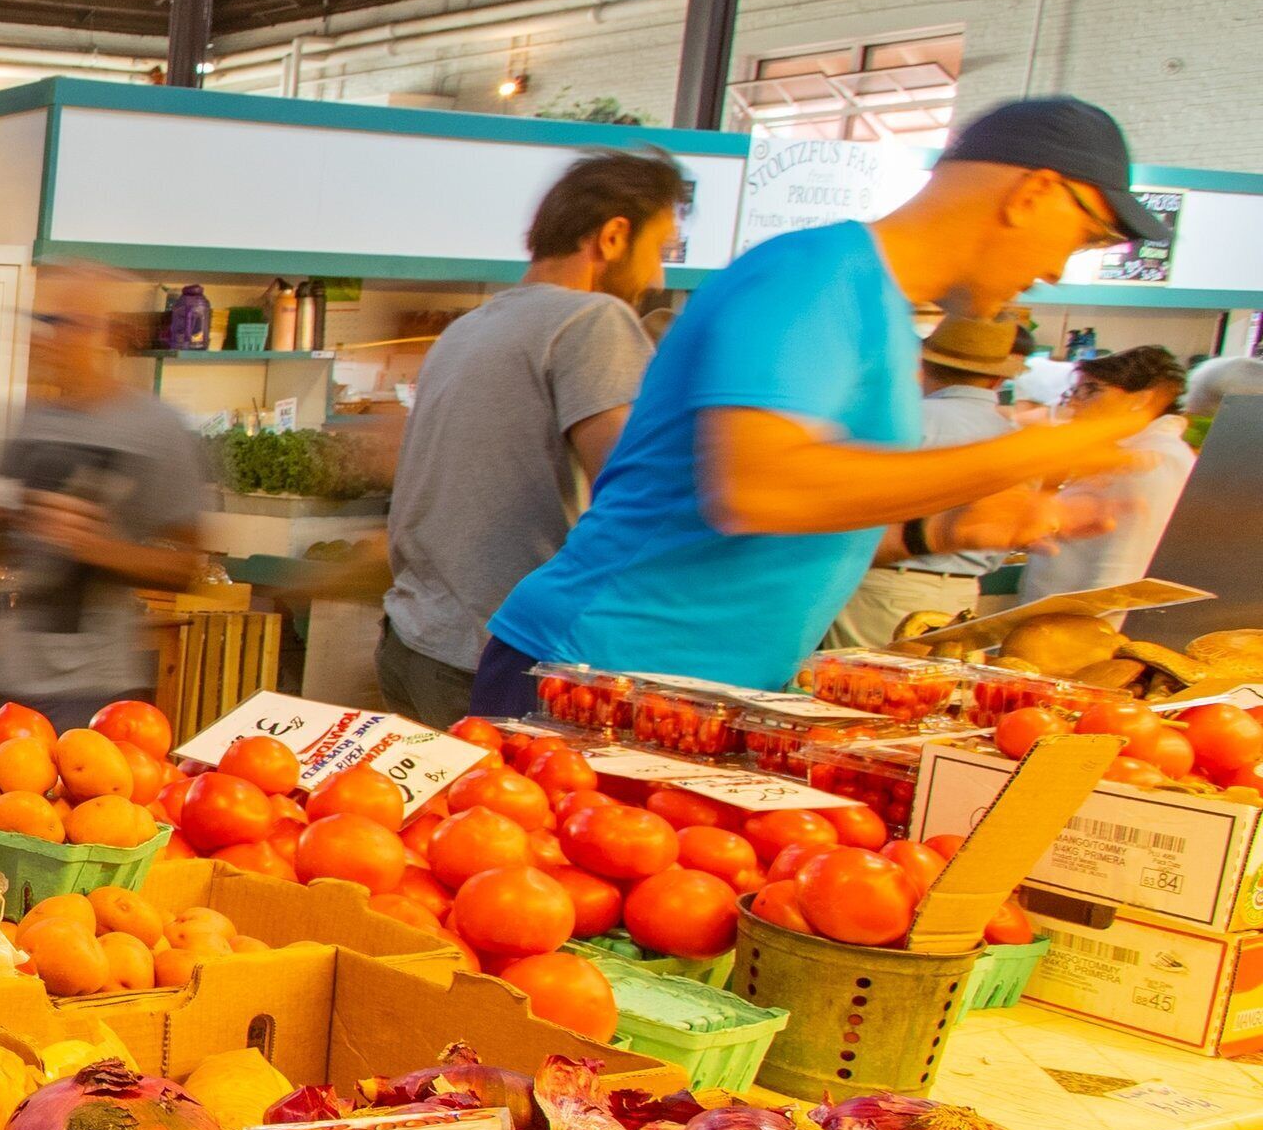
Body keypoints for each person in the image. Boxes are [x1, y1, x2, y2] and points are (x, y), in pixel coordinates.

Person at [479, 97, 1172, 710]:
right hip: (597, 674)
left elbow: (790, 518)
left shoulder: (879, 311)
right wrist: (1031, 450)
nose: (1058, 270)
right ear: (1034, 192)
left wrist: (943, 533)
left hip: (683, 687)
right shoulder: (813, 276)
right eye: (1086, 235)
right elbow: (758, 490)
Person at [377, 150, 682, 726]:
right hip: (497, 661)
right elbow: (638, 496)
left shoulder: (470, 327)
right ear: (614, 236)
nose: (659, 277)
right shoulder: (593, 321)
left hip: (413, 645)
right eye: (661, 252)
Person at [0, 266, 216, 731]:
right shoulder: (27, 419)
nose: (45, 337)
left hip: (88, 693)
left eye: (63, 323)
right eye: (38, 320)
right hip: (0, 678)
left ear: (108, 332)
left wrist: (98, 547)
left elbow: (187, 567)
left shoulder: (156, 430)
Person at [821, 312, 1026, 647]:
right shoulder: (1019, 440)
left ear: (925, 366)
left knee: (862, 690)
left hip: (886, 586)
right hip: (964, 593)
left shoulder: (903, 422)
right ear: (996, 380)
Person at [1022, 346, 1198, 605]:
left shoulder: (1153, 459)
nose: (1074, 402)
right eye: (1075, 391)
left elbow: (1126, 565)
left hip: (1078, 629)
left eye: (1091, 390)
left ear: (1141, 399)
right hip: (1056, 618)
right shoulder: (1121, 451)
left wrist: (1096, 634)